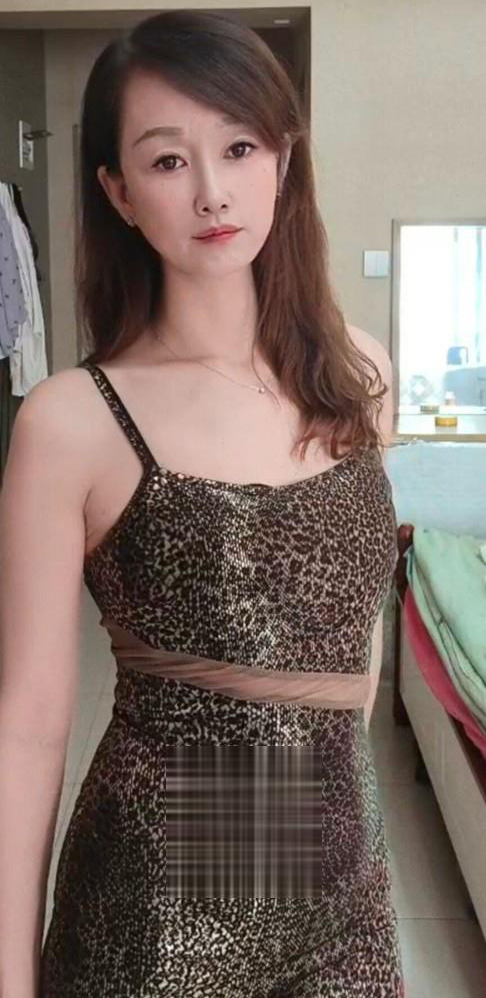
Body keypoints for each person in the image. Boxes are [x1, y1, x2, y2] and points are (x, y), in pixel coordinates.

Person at [0, 10, 405, 997]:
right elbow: (30, 724)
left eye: (239, 147)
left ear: (284, 160)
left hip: (343, 892)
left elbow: (354, 646)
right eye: (168, 161)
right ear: (118, 191)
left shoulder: (362, 377)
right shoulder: (73, 419)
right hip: (155, 911)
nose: (212, 191)